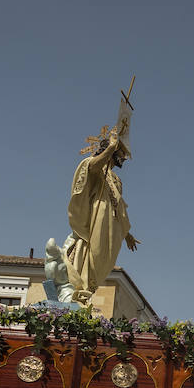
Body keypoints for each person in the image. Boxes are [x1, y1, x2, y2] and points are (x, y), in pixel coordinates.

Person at [58, 129, 138, 306]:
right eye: (122, 152)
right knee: (90, 257)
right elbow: (92, 168)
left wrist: (127, 234)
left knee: (101, 261)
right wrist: (110, 147)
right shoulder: (94, 165)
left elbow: (120, 207)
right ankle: (80, 292)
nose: (124, 157)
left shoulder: (115, 180)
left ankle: (88, 292)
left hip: (110, 226)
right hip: (96, 220)